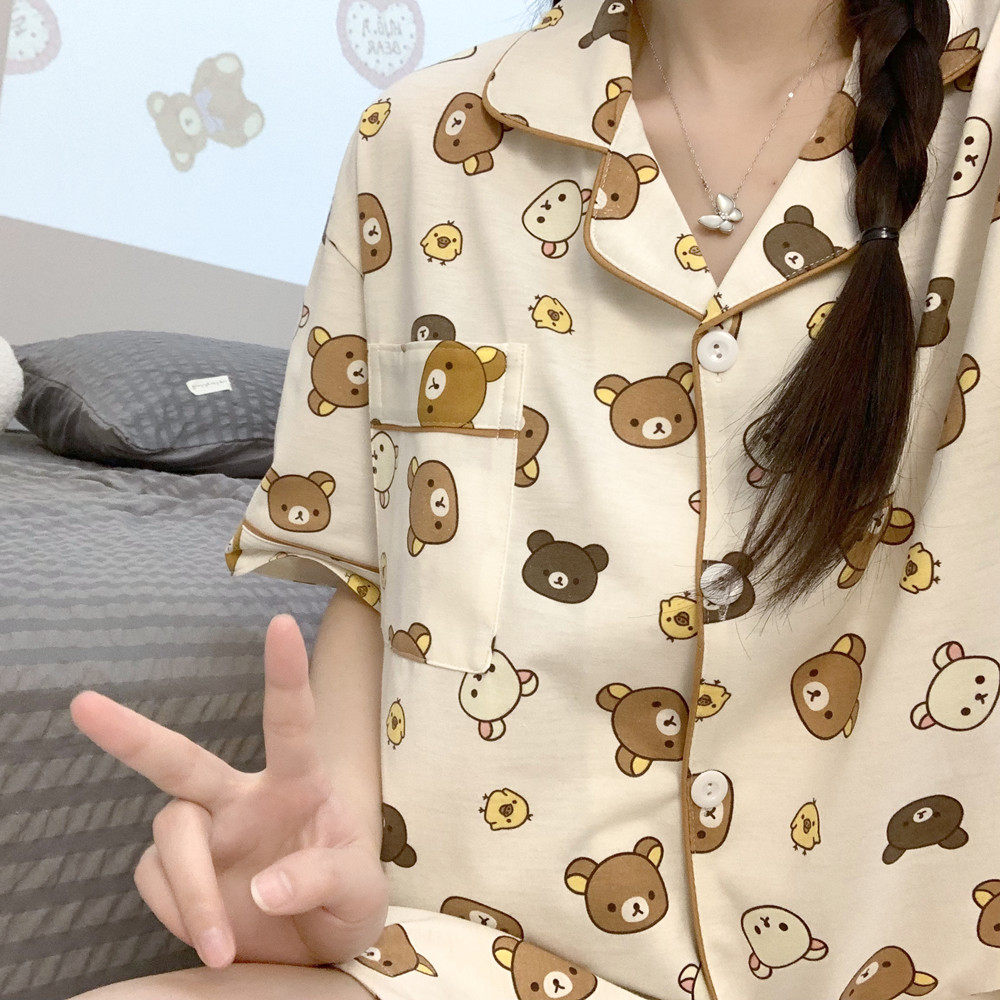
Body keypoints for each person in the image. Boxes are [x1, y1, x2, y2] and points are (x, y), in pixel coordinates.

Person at [67, 0, 1000, 998]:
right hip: (504, 957)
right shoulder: (422, 137)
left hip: (919, 958)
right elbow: (379, 583)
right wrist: (317, 870)